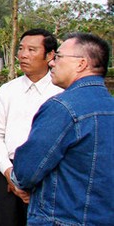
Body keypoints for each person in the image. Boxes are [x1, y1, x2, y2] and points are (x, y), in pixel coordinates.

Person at [12, 33, 114, 225]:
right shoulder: (109, 106)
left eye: (58, 57)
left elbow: (26, 172)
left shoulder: (63, 108)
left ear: (81, 64)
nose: (52, 63)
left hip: (61, 217)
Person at [0, 29, 63, 226]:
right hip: (8, 175)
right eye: (21, 49)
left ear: (50, 55)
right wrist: (9, 173)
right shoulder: (7, 91)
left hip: (50, 177)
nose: (23, 55)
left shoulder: (61, 93)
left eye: (31, 49)